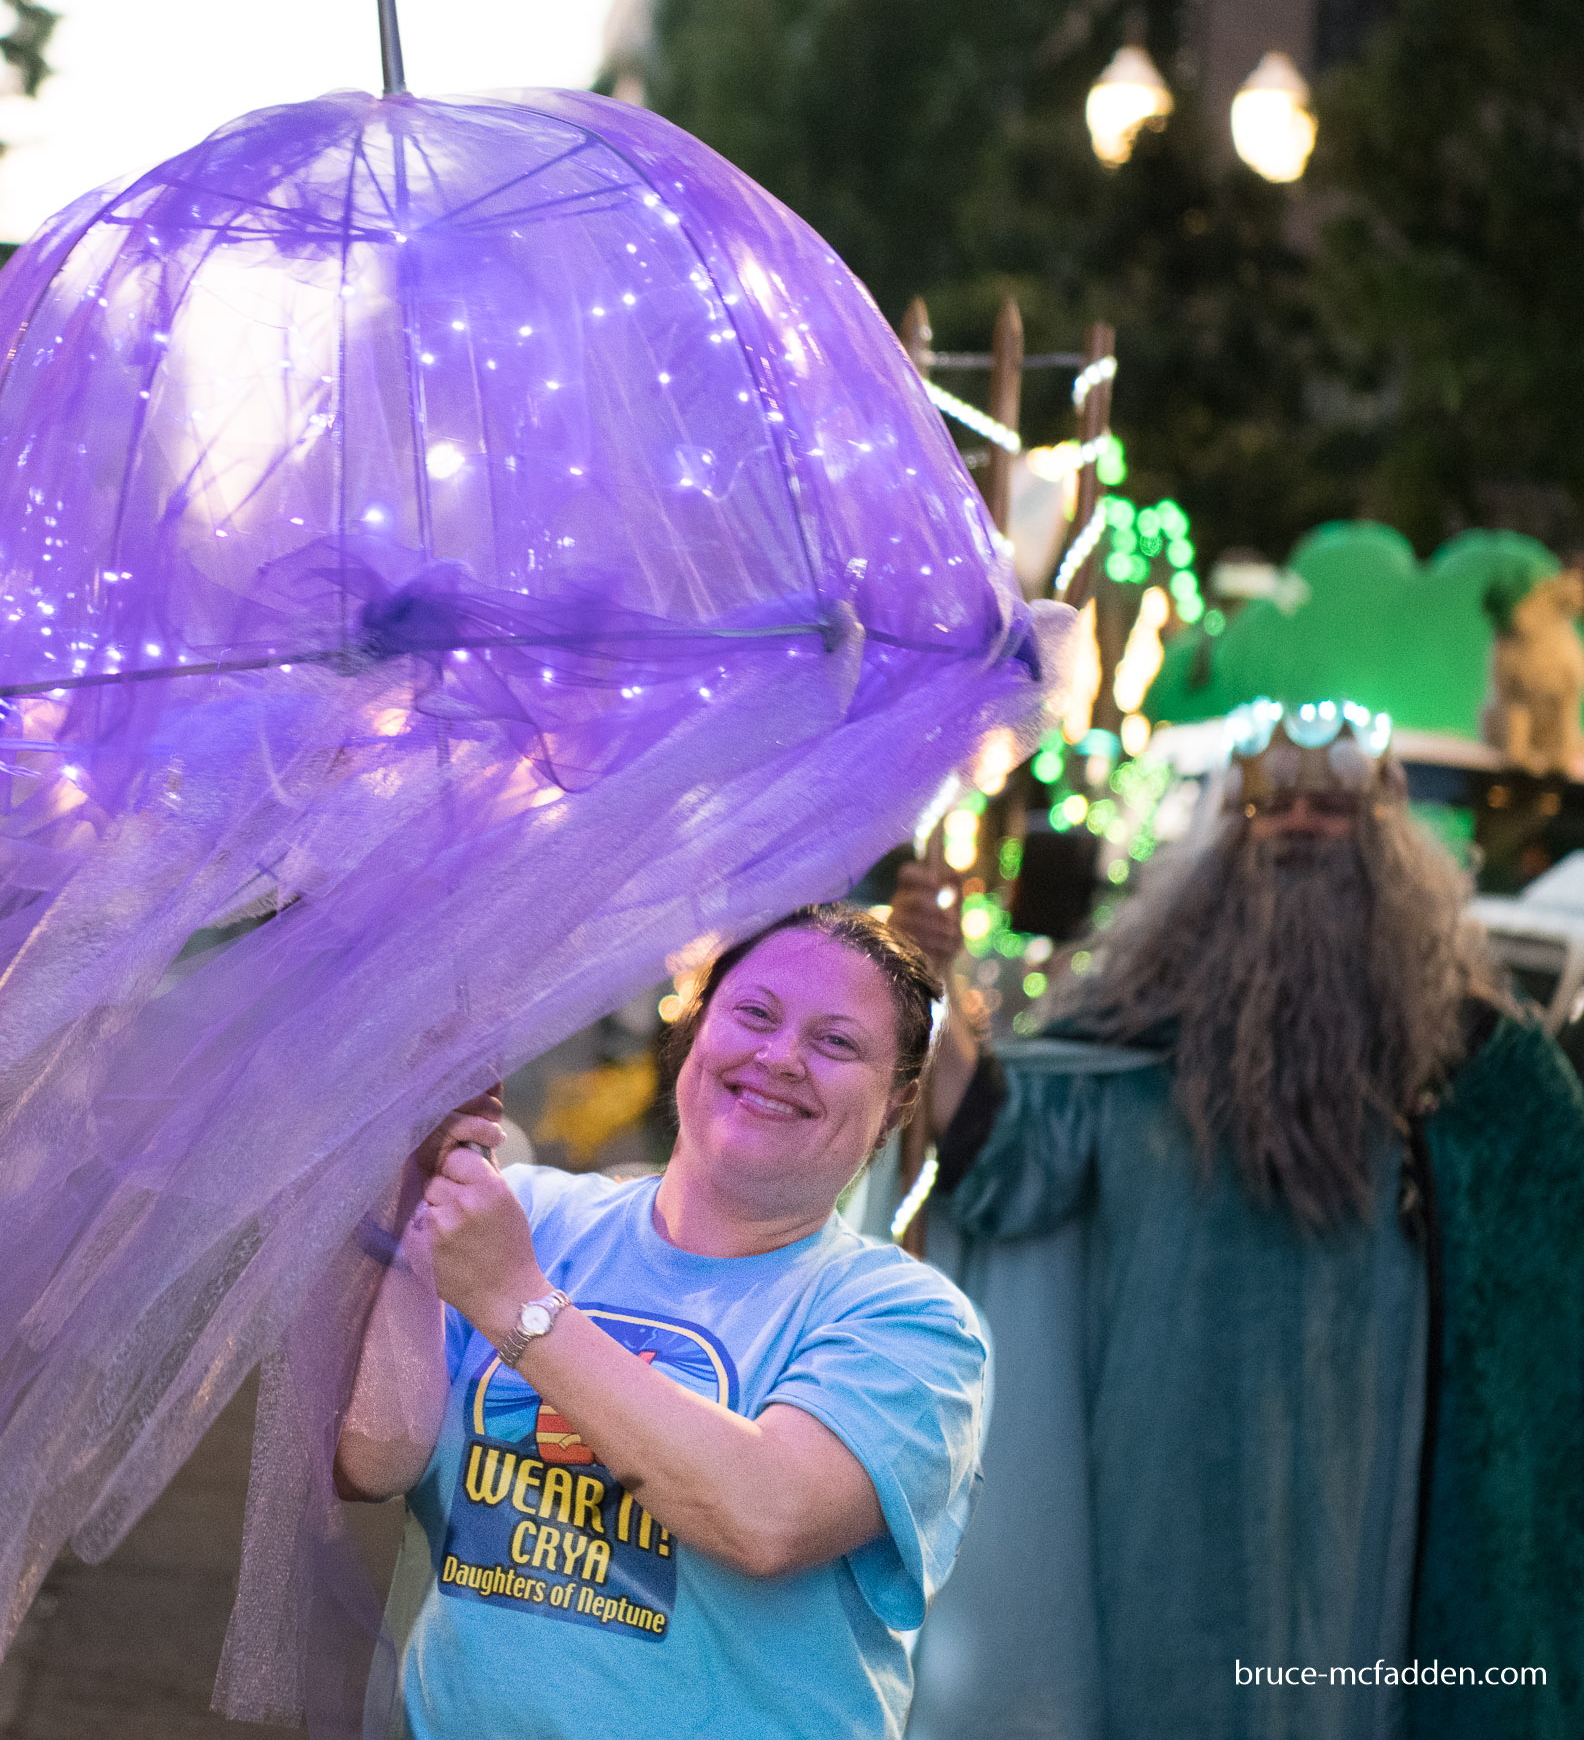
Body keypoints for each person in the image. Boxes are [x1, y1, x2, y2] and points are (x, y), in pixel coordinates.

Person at [888, 704, 1584, 1740]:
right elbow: (1004, 1156)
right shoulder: (1132, 1035)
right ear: (1232, 832)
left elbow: (1544, 1281)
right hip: (1165, 1460)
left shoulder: (1478, 1062)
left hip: (1380, 1473)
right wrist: (925, 982)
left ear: (1388, 832)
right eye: (1277, 807)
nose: (1301, 826)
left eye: (1331, 809)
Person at [335, 904, 988, 1738]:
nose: (781, 1057)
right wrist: (410, 1181)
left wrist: (514, 1302)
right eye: (754, 1013)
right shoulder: (524, 1217)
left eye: (836, 1043)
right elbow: (375, 1457)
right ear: (693, 1029)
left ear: (897, 1101)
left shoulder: (912, 1322)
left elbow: (766, 1514)